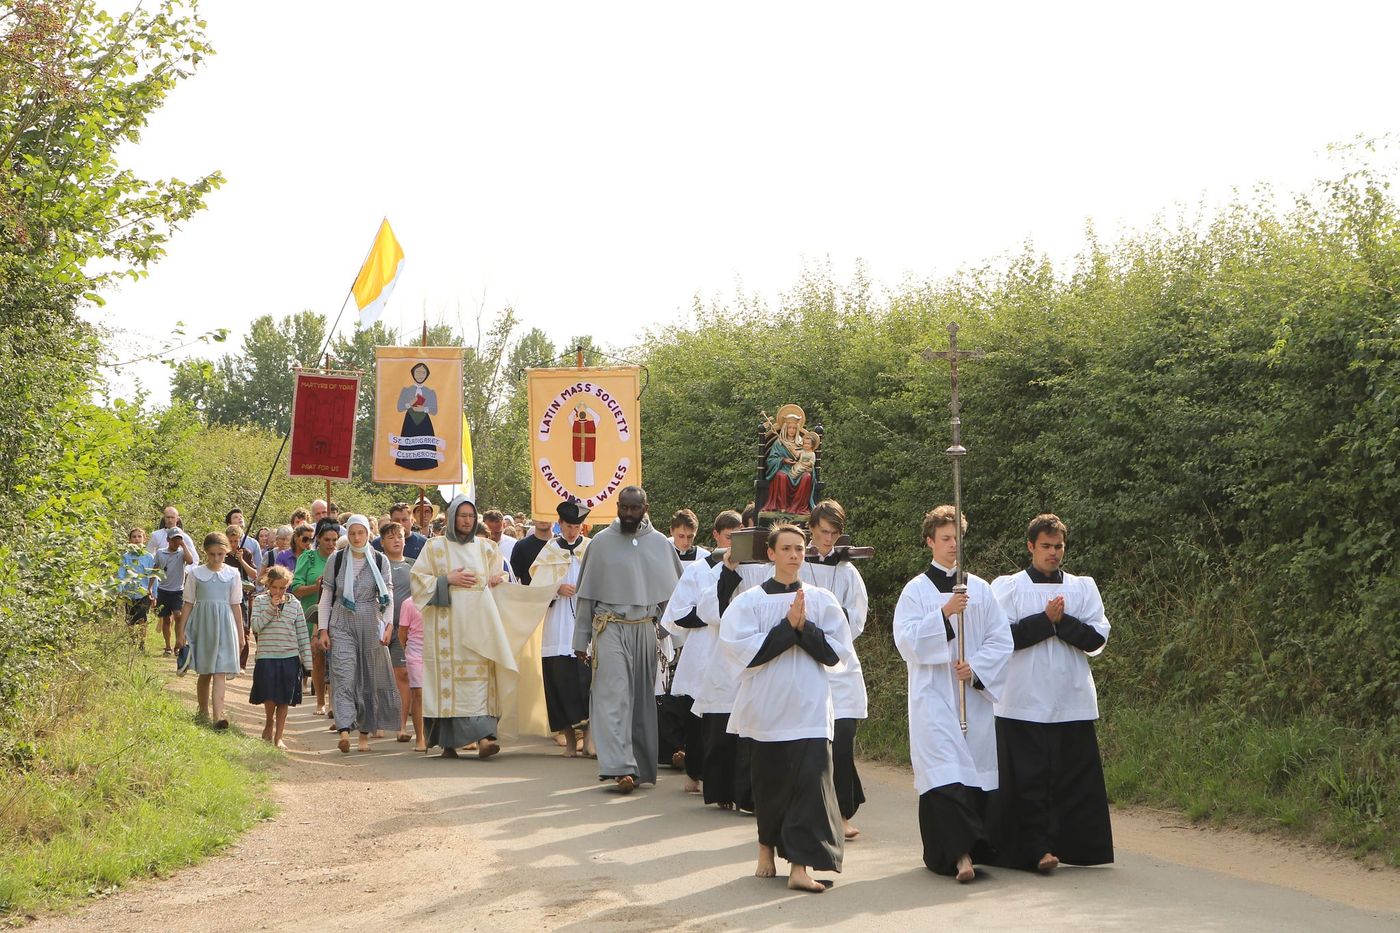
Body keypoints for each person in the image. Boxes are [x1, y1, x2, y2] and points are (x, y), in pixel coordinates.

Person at [720, 523, 852, 893]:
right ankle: (765, 847)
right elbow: (741, 652)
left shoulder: (821, 600)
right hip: (767, 709)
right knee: (771, 786)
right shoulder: (749, 602)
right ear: (771, 554)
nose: (794, 555)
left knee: (811, 784)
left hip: (810, 708)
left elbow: (837, 653)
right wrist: (786, 628)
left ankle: (799, 867)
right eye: (786, 549)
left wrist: (803, 628)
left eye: (799, 549)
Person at [988, 513, 1114, 872]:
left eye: (1058, 546)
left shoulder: (1082, 588)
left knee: (1072, 780)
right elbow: (1001, 638)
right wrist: (1045, 621)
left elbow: (1096, 639)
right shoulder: (1009, 588)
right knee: (1028, 780)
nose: (1053, 552)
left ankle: (1076, 848)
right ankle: (1035, 850)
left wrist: (1062, 622)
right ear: (1031, 547)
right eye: (1046, 546)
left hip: (1070, 698)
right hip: (1022, 700)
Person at [893, 505, 1012, 881]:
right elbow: (906, 642)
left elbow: (1001, 639)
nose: (953, 545)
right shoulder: (916, 591)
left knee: (972, 773)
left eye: (957, 538)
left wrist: (975, 668)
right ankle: (959, 856)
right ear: (930, 541)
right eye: (945, 538)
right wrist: (944, 614)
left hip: (970, 697)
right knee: (943, 772)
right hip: (932, 696)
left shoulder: (982, 589)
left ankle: (969, 850)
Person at [572, 486, 682, 792]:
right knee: (614, 694)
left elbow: (675, 598)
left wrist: (674, 637)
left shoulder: (660, 544)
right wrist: (580, 639)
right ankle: (619, 767)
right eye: (624, 507)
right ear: (617, 506)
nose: (629, 513)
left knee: (641, 699)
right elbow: (586, 596)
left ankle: (639, 767)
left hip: (645, 628)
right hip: (609, 627)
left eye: (635, 508)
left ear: (645, 507)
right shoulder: (601, 543)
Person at [408, 497, 513, 759]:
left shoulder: (487, 548)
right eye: (462, 515)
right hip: (446, 630)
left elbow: (502, 575)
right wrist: (446, 579)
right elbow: (418, 582)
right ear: (452, 517)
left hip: (479, 628)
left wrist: (497, 580)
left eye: (471, 515)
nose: (467, 520)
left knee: (480, 683)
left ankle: (485, 738)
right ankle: (448, 743)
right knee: (448, 685)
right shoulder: (434, 547)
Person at [800, 500, 870, 840]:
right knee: (812, 744)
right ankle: (812, 814)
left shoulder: (848, 572)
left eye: (834, 533)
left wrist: (833, 628)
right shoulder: (798, 566)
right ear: (812, 529)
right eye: (823, 532)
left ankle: (842, 813)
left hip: (841, 664)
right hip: (806, 663)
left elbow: (858, 616)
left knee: (842, 740)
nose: (828, 539)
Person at [660, 509, 742, 793]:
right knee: (697, 715)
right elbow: (678, 613)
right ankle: (694, 772)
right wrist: (712, 615)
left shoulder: (750, 570)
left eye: (739, 538)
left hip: (732, 650)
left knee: (729, 716)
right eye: (729, 537)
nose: (733, 544)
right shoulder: (698, 570)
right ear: (716, 535)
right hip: (703, 647)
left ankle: (723, 777)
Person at [316, 515, 400, 754]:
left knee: (368, 679)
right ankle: (344, 731)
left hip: (370, 621)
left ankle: (364, 735)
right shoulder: (336, 559)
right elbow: (327, 595)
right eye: (352, 533)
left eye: (360, 533)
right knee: (344, 674)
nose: (356, 537)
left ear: (367, 534)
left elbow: (388, 595)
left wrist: (388, 625)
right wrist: (323, 629)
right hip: (342, 621)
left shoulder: (380, 560)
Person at [529, 499, 593, 757]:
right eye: (568, 526)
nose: (572, 532)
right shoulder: (549, 551)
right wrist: (556, 589)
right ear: (559, 524)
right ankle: (569, 741)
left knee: (587, 683)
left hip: (584, 622)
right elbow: (536, 590)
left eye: (576, 527)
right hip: (557, 625)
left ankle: (589, 740)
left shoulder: (591, 548)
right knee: (560, 683)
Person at [176, 532, 245, 729]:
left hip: (225, 624)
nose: (216, 558)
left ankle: (218, 717)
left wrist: (241, 635)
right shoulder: (196, 574)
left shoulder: (233, 574)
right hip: (203, 624)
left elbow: (235, 605)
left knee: (220, 671)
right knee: (205, 671)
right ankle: (203, 711)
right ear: (206, 552)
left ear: (227, 552)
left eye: (220, 554)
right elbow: (188, 604)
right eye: (212, 554)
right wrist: (180, 632)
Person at [248, 565, 311, 749]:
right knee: (269, 695)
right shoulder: (260, 601)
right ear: (268, 585)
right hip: (267, 656)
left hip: (289, 657)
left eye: (282, 588)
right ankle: (269, 722)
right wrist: (271, 608)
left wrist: (307, 662)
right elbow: (256, 626)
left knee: (284, 699)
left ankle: (279, 736)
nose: (278, 591)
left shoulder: (294, 604)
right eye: (274, 587)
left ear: (287, 586)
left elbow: (302, 634)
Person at [293, 519, 339, 717]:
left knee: (337, 659)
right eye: (327, 539)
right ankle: (320, 701)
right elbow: (296, 588)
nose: (331, 544)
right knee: (318, 657)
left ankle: (334, 703)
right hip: (312, 614)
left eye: (334, 540)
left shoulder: (341, 557)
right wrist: (316, 587)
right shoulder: (308, 558)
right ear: (318, 538)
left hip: (336, 614)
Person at [379, 521, 416, 743]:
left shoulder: (414, 566)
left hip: (405, 630)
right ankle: (379, 721)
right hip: (381, 627)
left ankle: (401, 726)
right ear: (382, 542)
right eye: (391, 537)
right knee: (380, 677)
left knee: (403, 675)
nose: (396, 540)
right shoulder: (377, 564)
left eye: (400, 536)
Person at [151, 523, 196, 655]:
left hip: (178, 591)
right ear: (168, 540)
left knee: (178, 616)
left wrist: (183, 545)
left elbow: (190, 561)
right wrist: (150, 588)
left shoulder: (182, 553)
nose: (176, 542)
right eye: (174, 539)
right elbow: (155, 570)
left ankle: (179, 643)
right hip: (163, 590)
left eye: (178, 539)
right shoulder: (160, 552)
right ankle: (167, 646)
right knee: (165, 619)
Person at [397, 595, 427, 751]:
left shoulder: (439, 599)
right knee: (418, 693)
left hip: (435, 654)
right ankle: (420, 738)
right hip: (415, 654)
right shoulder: (408, 603)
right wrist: (408, 651)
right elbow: (402, 633)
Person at [118, 528, 155, 650]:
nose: (137, 539)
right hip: (129, 593)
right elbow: (121, 574)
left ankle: (142, 644)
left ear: (144, 539)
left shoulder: (149, 557)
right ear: (129, 540)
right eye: (134, 537)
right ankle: (132, 641)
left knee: (142, 618)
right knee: (130, 619)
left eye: (139, 536)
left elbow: (153, 576)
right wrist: (120, 590)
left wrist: (154, 594)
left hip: (144, 593)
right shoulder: (126, 557)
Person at [510, 518, 554, 585]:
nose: (543, 519)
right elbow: (513, 579)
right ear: (533, 518)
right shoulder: (521, 546)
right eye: (539, 515)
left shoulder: (562, 544)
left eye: (546, 515)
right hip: (529, 591)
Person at [225, 507, 263, 573]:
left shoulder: (253, 543)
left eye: (241, 516)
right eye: (235, 517)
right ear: (229, 524)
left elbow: (259, 566)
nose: (240, 518)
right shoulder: (223, 542)